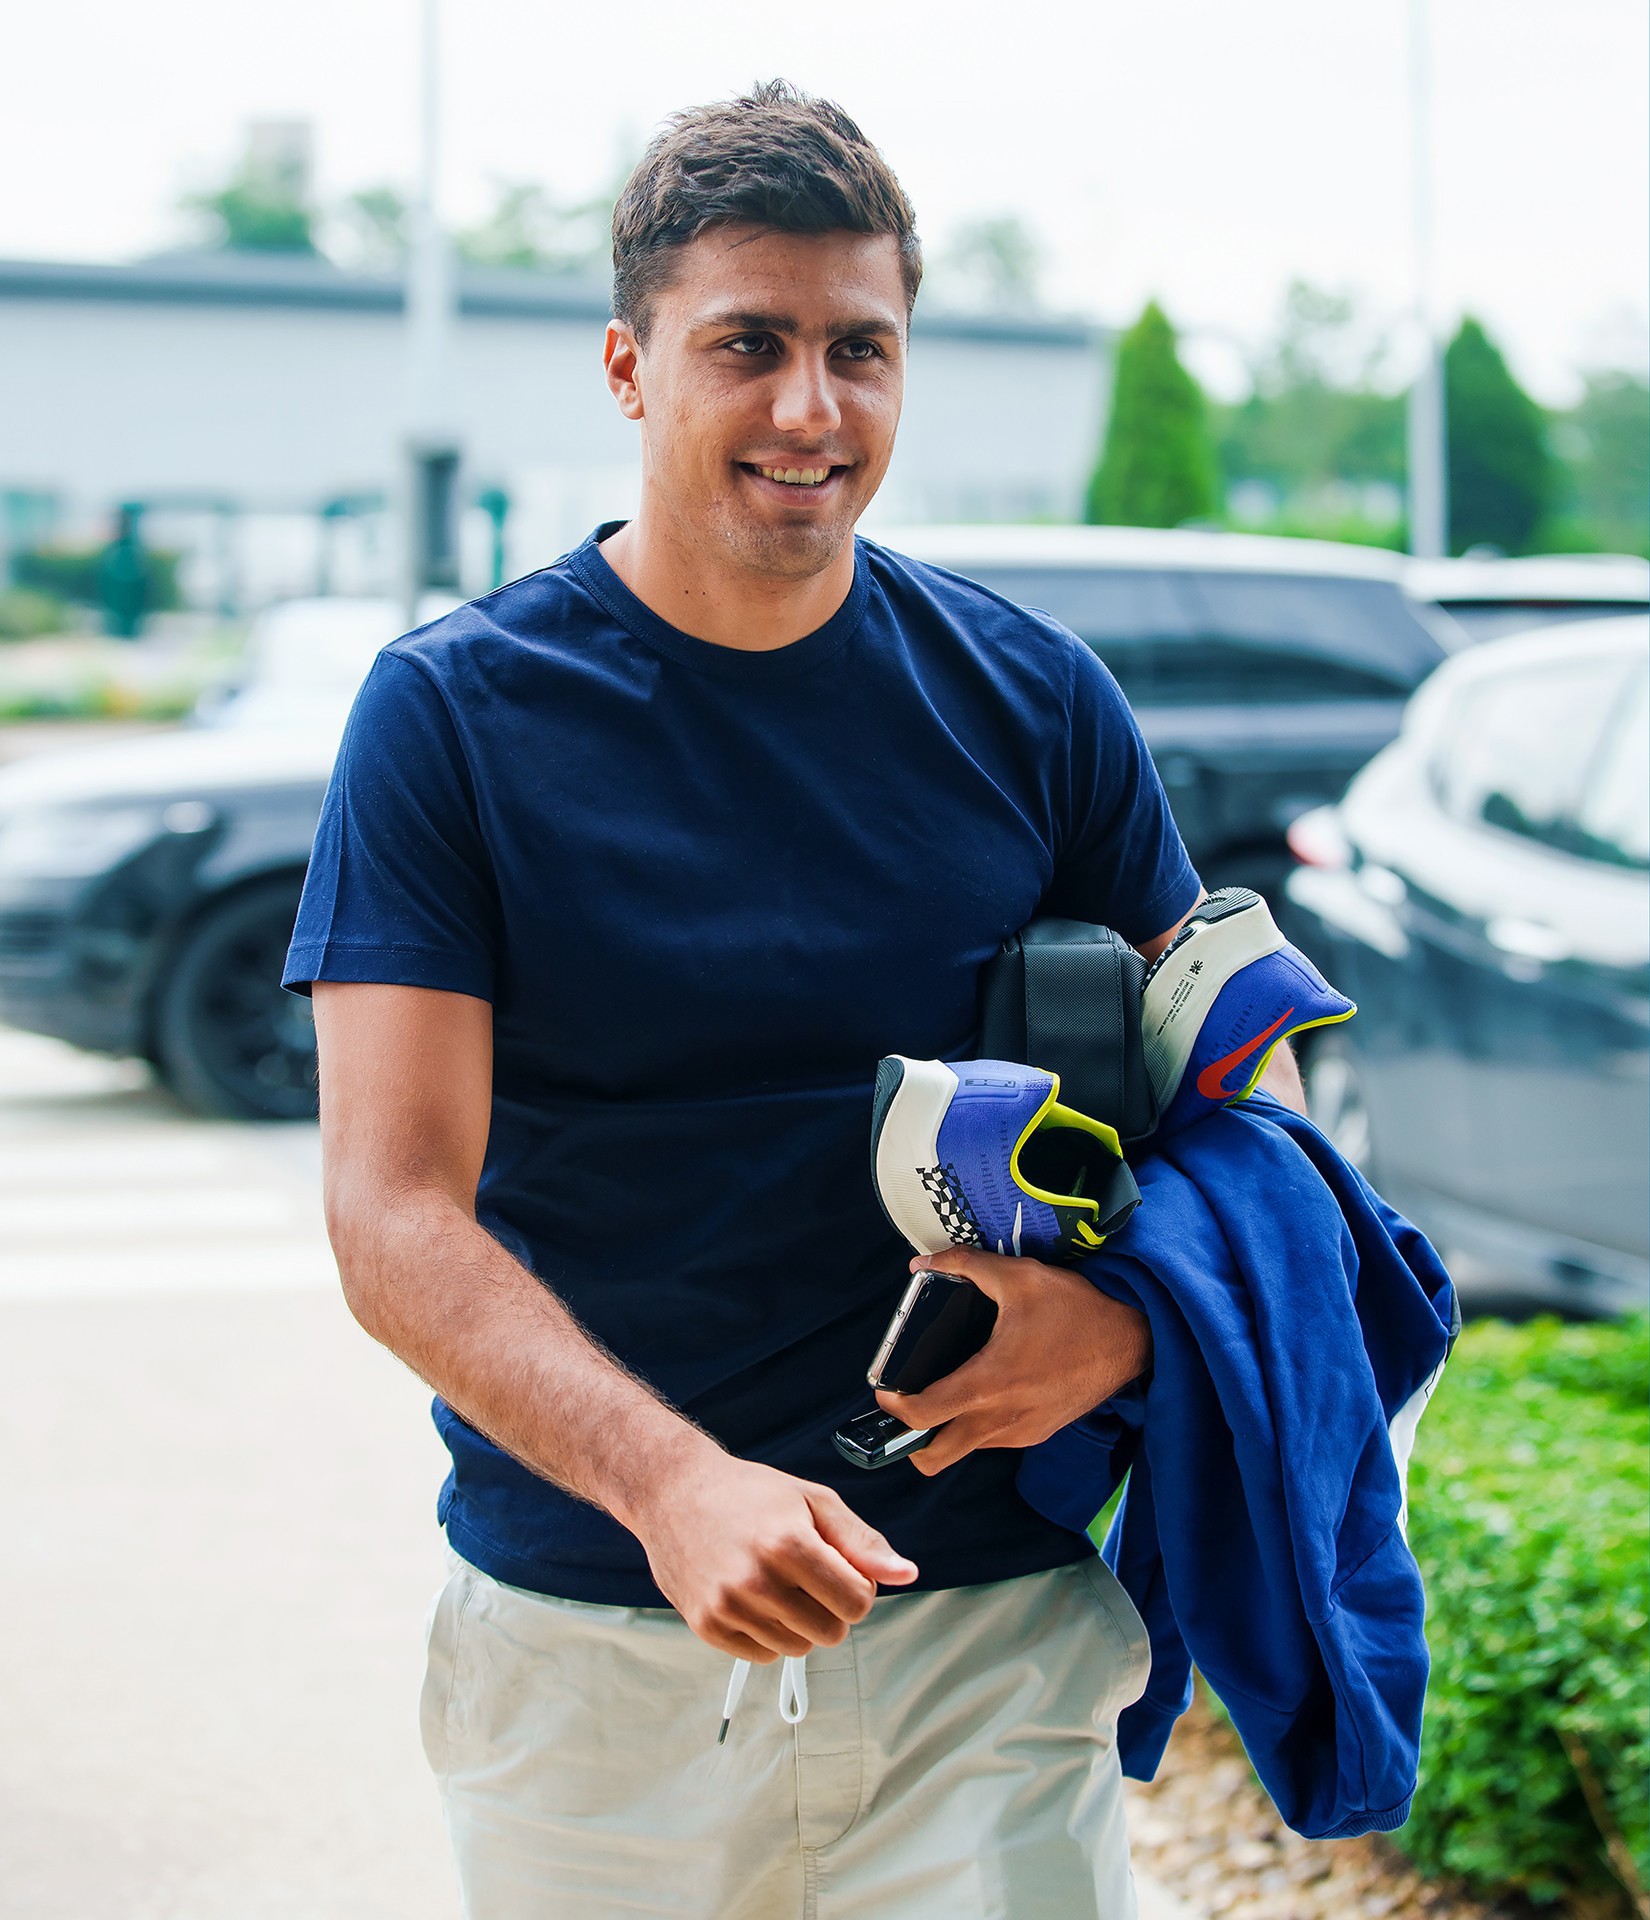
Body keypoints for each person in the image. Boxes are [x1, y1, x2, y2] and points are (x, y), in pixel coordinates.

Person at [286, 80, 1302, 1920]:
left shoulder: (1033, 697)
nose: (810, 410)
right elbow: (388, 1208)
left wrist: (1132, 1325)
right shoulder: (448, 716)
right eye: (746, 344)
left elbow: (1252, 1109)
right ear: (627, 368)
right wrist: (672, 1485)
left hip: (983, 1622)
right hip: (596, 1645)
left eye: (861, 349)